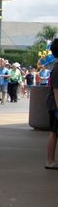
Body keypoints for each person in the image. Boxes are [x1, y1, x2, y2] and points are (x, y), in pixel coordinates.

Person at [45, 39, 58, 170]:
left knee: (54, 132)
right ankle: (49, 160)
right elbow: (56, 91)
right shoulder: (57, 69)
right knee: (53, 132)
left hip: (54, 105)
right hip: (55, 106)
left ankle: (50, 160)